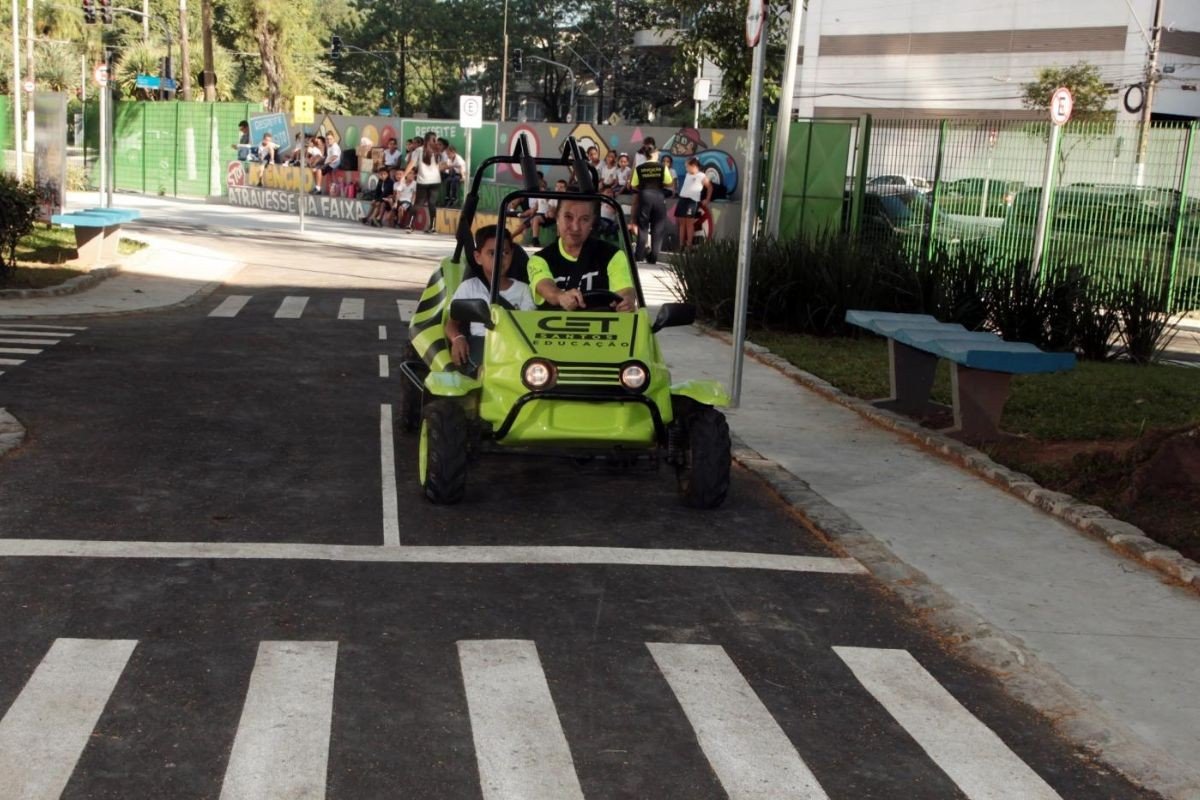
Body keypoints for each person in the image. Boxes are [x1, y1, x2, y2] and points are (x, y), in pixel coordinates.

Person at [444, 225, 535, 373]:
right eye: (492, 253)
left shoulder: (524, 290)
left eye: (505, 253)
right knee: (486, 371)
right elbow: (451, 323)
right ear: (478, 257)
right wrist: (457, 338)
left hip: (515, 344)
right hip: (482, 343)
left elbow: (528, 325)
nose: (500, 259)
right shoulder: (470, 287)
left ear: (512, 255)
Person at [527, 195, 637, 313]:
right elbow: (544, 285)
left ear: (592, 223)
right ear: (557, 218)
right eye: (568, 217)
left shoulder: (613, 255)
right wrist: (560, 296)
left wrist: (626, 301)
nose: (575, 227)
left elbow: (624, 290)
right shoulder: (540, 259)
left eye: (584, 219)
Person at [629, 140, 673, 265]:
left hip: (644, 197)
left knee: (643, 227)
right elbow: (669, 183)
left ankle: (638, 255)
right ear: (654, 154)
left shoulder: (639, 168)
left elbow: (633, 186)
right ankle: (653, 257)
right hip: (659, 196)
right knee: (658, 228)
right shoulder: (662, 167)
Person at [405, 131, 442, 233]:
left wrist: (404, 175)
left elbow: (412, 164)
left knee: (418, 203)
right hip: (435, 180)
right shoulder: (438, 150)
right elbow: (441, 166)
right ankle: (433, 227)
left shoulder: (419, 150)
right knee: (432, 204)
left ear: (425, 139)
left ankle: (410, 225)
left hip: (423, 180)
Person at [675, 156, 713, 250]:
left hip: (692, 201)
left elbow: (710, 187)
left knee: (689, 223)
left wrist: (707, 199)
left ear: (694, 165)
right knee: (681, 223)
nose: (686, 168)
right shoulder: (688, 174)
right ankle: (681, 245)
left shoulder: (701, 175)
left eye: (687, 166)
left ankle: (689, 245)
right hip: (682, 199)